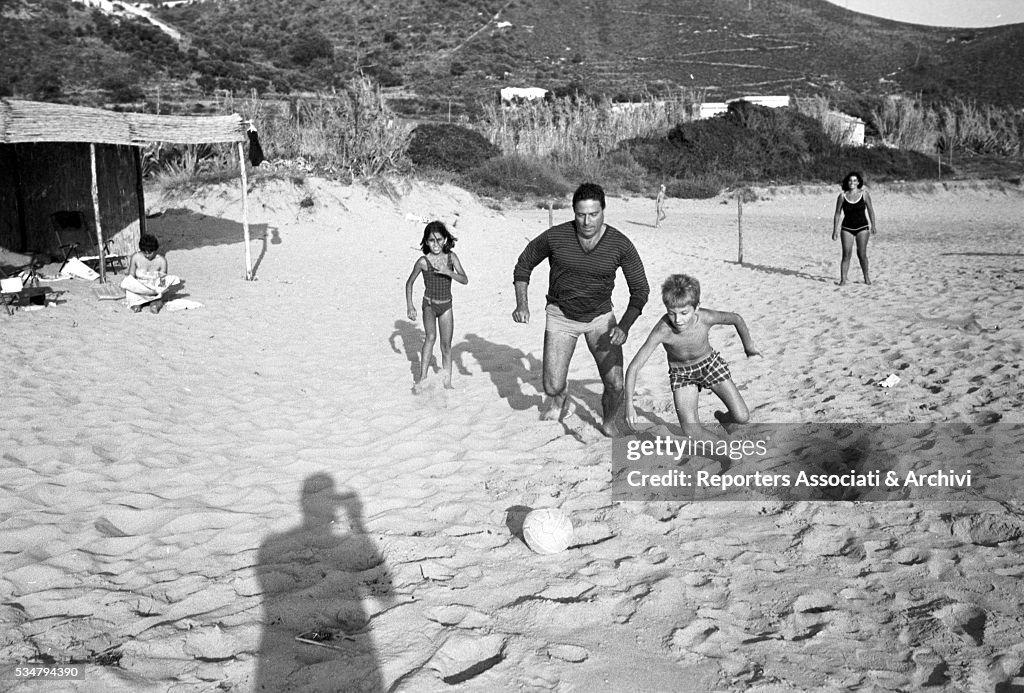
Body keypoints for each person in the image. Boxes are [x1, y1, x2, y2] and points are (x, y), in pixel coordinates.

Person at [513, 182, 650, 437]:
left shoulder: (620, 244)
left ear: (603, 211)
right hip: (561, 316)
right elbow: (524, 264)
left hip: (600, 318)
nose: (587, 221)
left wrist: (624, 325)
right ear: (574, 212)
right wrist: (522, 303)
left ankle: (608, 421)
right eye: (580, 214)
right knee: (552, 386)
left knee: (615, 384)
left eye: (593, 214)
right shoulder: (556, 237)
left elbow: (641, 290)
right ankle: (560, 396)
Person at [624, 274, 759, 442]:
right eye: (671, 313)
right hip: (682, 374)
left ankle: (725, 419)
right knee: (692, 431)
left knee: (742, 416)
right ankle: (728, 451)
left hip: (709, 364)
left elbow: (736, 319)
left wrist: (749, 347)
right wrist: (629, 404)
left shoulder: (706, 318)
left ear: (696, 307)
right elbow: (634, 367)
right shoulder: (662, 330)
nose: (678, 320)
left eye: (684, 313)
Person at [405, 221, 468, 391]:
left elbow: (465, 280)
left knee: (446, 345)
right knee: (430, 338)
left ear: (445, 239)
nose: (436, 244)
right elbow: (409, 283)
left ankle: (447, 382)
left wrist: (449, 272)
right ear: (425, 241)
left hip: (446, 306)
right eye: (431, 241)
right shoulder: (423, 262)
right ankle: (422, 378)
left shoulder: (451, 257)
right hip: (429, 306)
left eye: (439, 240)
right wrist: (410, 306)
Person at [832, 170, 877, 285]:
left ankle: (866, 277)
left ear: (858, 182)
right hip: (847, 228)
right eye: (850, 180)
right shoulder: (842, 196)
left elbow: (871, 210)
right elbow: (837, 213)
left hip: (862, 227)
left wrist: (873, 225)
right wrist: (835, 230)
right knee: (846, 254)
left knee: (861, 253)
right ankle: (843, 280)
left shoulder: (864, 194)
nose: (852, 182)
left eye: (855, 180)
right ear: (847, 182)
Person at [122, 233, 179, 313]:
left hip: (154, 290)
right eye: (145, 252)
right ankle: (137, 305)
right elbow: (131, 277)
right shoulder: (136, 257)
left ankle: (155, 304)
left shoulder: (161, 261)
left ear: (155, 250)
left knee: (161, 296)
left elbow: (162, 280)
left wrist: (158, 289)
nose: (147, 255)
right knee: (134, 304)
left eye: (150, 252)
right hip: (139, 289)